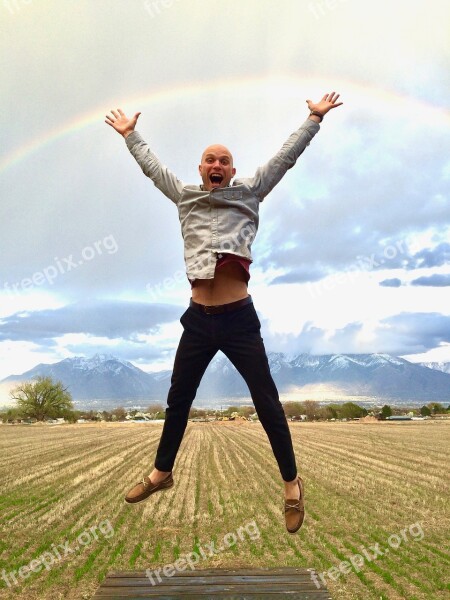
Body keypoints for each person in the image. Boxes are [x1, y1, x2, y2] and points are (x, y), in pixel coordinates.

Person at [105, 92, 342, 533]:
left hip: (238, 319)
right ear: (201, 169)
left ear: (231, 170)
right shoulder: (184, 196)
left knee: (266, 401)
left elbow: (284, 158)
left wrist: (313, 117)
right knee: (178, 399)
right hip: (198, 320)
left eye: (224, 160)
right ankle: (162, 472)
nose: (217, 165)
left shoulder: (249, 193)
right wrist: (131, 135)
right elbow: (153, 169)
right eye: (209, 160)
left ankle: (291, 484)